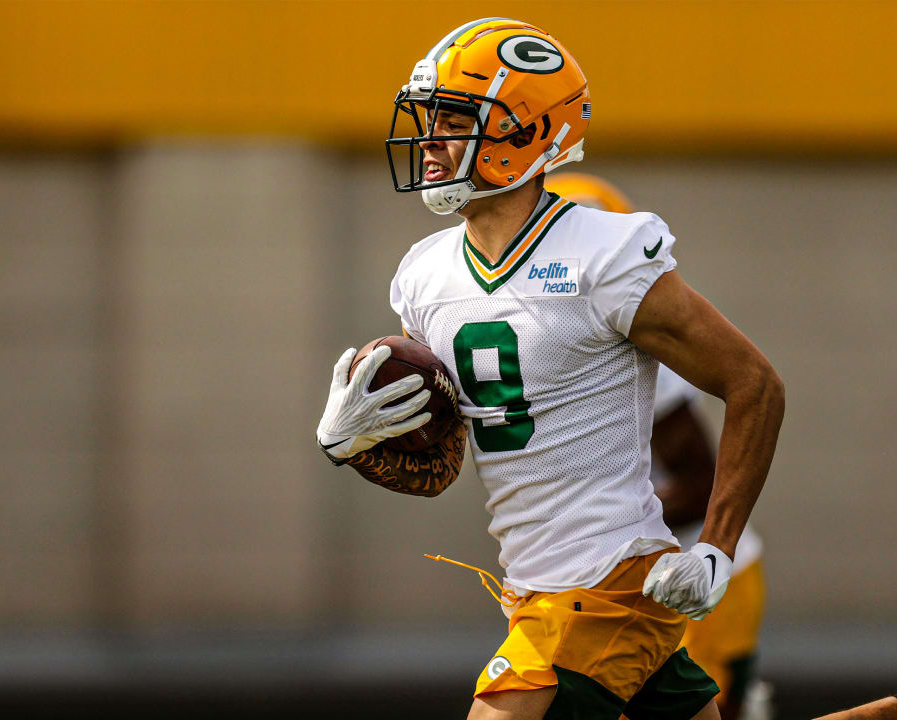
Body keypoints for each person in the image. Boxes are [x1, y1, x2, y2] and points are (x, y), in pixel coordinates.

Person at [318, 18, 782, 720]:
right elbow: (442, 464)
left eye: (453, 118)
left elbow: (754, 385)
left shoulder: (606, 252)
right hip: (535, 586)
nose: (430, 140)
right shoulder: (424, 273)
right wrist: (353, 446)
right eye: (429, 117)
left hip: (606, 580)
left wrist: (715, 549)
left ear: (524, 133)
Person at [545, 172, 769, 720]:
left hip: (682, 576)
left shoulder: (628, 340)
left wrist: (586, 524)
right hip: (616, 580)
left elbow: (699, 479)